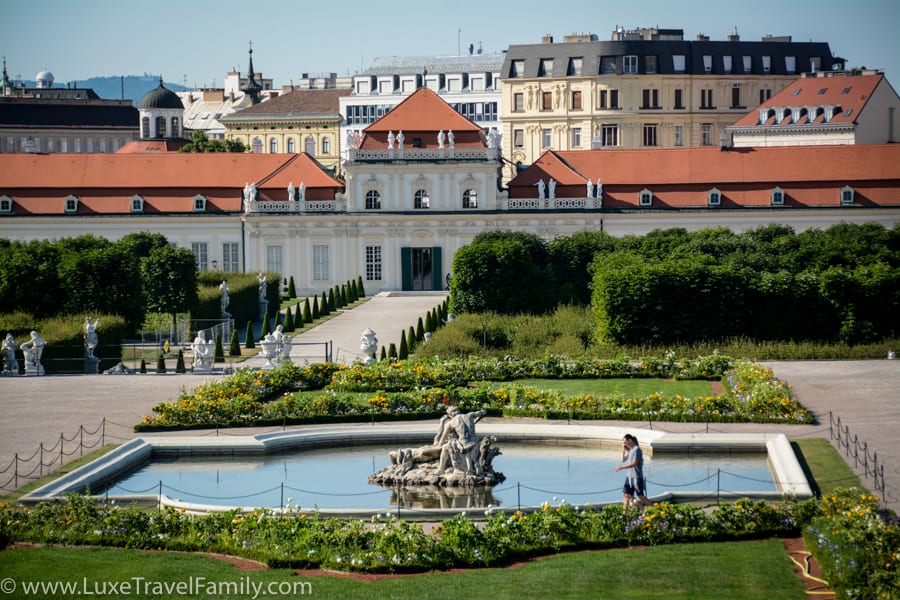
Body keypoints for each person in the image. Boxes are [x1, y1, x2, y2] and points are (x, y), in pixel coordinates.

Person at [614, 433, 652, 511]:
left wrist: (621, 467)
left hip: (636, 477)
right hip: (629, 477)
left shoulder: (637, 450)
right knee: (625, 495)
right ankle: (625, 515)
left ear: (629, 440)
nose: (624, 444)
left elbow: (634, 463)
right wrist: (623, 450)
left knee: (641, 496)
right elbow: (623, 460)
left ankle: (654, 509)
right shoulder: (631, 450)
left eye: (625, 442)